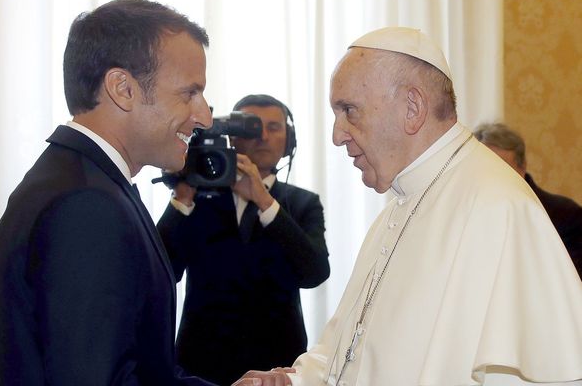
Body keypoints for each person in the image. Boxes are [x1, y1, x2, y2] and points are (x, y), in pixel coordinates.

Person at [238, 27, 582, 386]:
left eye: (349, 110)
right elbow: (353, 347)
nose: (337, 135)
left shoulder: (497, 207)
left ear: (412, 108)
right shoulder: (399, 207)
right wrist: (294, 381)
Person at [0, 0, 241, 386]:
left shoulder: (85, 181)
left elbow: (136, 368)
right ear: (122, 89)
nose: (205, 116)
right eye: (189, 93)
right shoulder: (85, 205)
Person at [157, 94, 330, 386]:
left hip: (277, 367)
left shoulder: (302, 204)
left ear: (289, 141)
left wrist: (264, 202)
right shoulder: (198, 197)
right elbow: (162, 270)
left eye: (274, 127)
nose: (262, 136)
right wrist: (183, 196)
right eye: (251, 127)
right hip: (199, 366)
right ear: (231, 137)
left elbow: (314, 273)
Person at [474, 122, 582, 278]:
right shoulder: (466, 213)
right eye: (486, 167)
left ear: (522, 167)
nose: (494, 175)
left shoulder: (565, 215)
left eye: (502, 167)